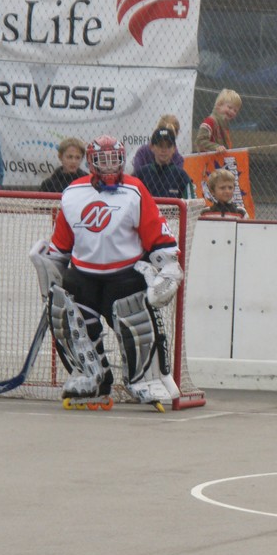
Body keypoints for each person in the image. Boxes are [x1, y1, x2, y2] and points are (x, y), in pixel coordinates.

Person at [27, 135, 183, 410]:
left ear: (122, 160)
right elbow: (61, 246)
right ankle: (92, 376)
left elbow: (157, 233)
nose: (110, 166)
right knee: (66, 317)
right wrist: (48, 272)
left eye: (114, 160)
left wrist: (168, 268)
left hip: (125, 277)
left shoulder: (135, 190)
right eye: (103, 160)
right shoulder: (73, 193)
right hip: (83, 276)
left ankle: (144, 379)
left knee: (135, 325)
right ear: (91, 162)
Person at [135, 127, 195, 200]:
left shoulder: (182, 177)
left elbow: (191, 202)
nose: (164, 150)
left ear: (174, 149)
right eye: (160, 145)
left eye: (168, 146)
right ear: (152, 147)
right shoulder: (141, 174)